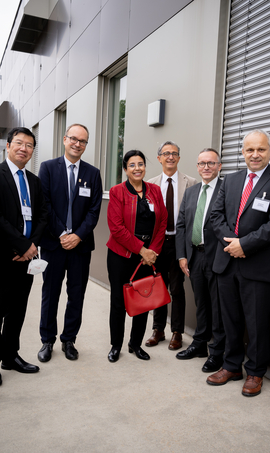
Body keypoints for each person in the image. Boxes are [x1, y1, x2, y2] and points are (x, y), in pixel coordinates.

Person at [208, 129, 270, 397]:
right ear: (242, 152)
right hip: (227, 262)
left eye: (260, 149)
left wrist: (244, 245)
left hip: (259, 265)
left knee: (257, 323)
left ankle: (256, 372)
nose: (255, 154)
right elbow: (215, 216)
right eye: (249, 149)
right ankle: (231, 366)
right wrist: (232, 243)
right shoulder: (230, 180)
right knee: (230, 320)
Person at [0, 127, 48, 387]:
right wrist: (21, 245)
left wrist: (32, 246)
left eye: (29, 145)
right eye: (19, 143)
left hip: (27, 259)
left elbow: (42, 215)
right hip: (1, 257)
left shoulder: (34, 181)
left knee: (18, 310)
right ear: (8, 146)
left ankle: (10, 355)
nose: (24, 148)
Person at [37, 124, 103, 362]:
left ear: (86, 145)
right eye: (73, 139)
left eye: (82, 141)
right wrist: (62, 234)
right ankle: (47, 340)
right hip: (53, 244)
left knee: (76, 295)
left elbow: (94, 211)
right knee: (50, 294)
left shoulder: (93, 173)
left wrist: (78, 236)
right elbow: (44, 205)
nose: (77, 144)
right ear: (65, 139)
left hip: (80, 247)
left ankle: (69, 340)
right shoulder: (47, 168)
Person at [106, 150, 167, 362]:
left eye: (140, 164)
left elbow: (163, 222)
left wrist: (153, 252)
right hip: (121, 255)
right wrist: (142, 250)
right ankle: (116, 345)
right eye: (132, 165)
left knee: (143, 301)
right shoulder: (117, 192)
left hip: (148, 257)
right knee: (118, 302)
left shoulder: (155, 191)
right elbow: (116, 227)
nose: (137, 168)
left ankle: (136, 344)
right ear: (125, 169)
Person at [175, 148, 226, 373]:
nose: (206, 167)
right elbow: (181, 225)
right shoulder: (191, 192)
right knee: (201, 303)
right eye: (202, 163)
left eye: (211, 163)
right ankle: (199, 344)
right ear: (197, 167)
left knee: (218, 306)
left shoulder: (227, 190)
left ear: (219, 166)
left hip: (218, 257)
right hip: (194, 256)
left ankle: (217, 352)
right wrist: (182, 255)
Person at [145, 141, 197, 350]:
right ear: (159, 158)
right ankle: (158, 329)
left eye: (174, 153)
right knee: (158, 286)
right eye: (166, 153)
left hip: (179, 241)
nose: (170, 157)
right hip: (158, 243)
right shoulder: (150, 184)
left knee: (177, 288)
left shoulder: (191, 182)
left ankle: (177, 332)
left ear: (179, 158)